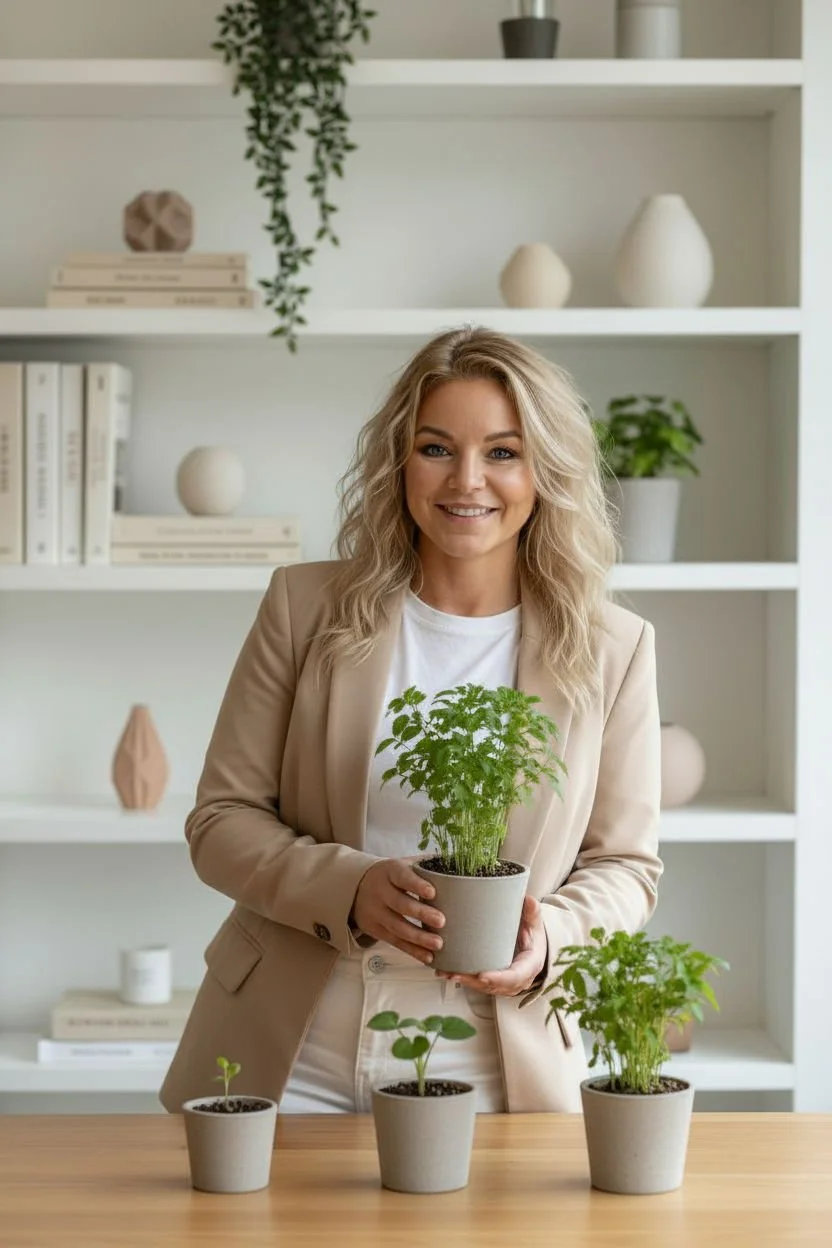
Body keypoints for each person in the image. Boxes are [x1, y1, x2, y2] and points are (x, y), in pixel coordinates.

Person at [159, 325, 662, 1116]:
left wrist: (550, 937)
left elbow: (627, 866)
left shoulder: (614, 648)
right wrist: (349, 886)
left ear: (546, 471)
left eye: (502, 451)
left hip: (500, 1061)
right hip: (293, 1057)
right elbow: (219, 821)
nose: (467, 480)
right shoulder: (303, 607)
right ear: (398, 462)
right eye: (436, 448)